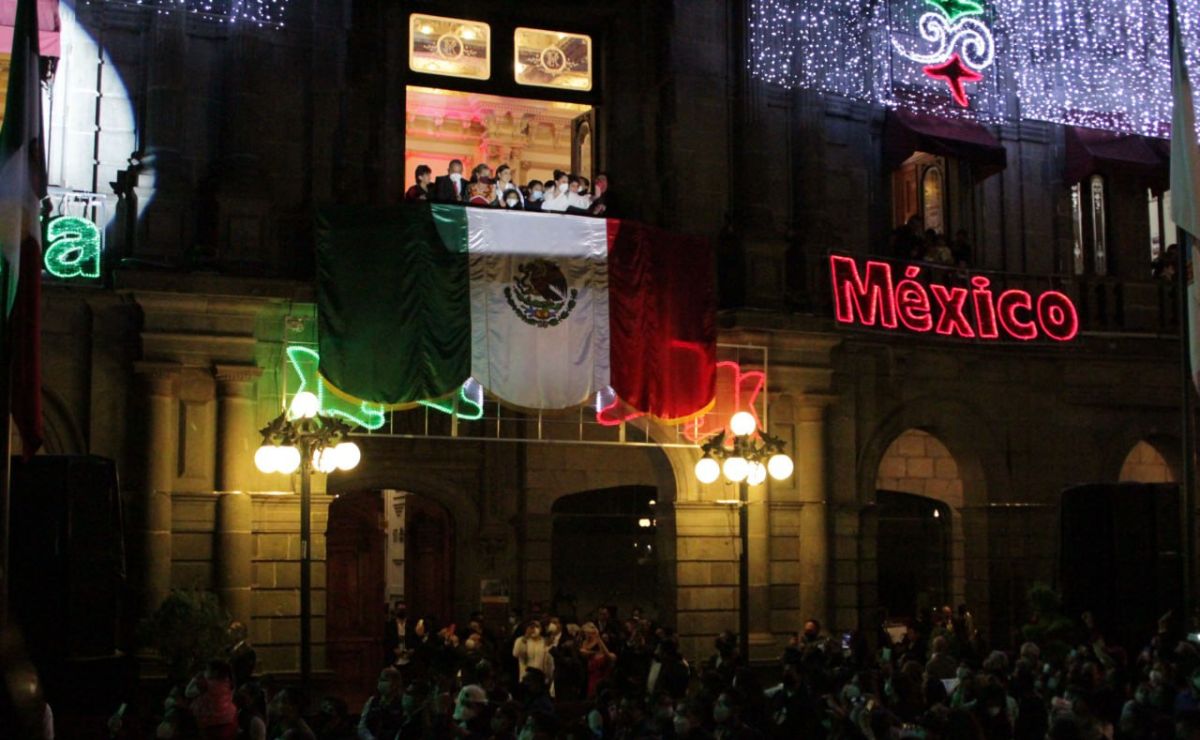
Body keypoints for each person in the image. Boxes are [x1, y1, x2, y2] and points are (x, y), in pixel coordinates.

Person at [358, 667, 406, 740]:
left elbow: (402, 729)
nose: (380, 682)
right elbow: (362, 726)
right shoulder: (372, 701)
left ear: (395, 683)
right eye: (380, 679)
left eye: (384, 680)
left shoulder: (402, 703)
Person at [226, 622, 256, 689]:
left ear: (240, 633)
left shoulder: (248, 652)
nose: (229, 632)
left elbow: (244, 673)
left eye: (233, 630)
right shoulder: (228, 649)